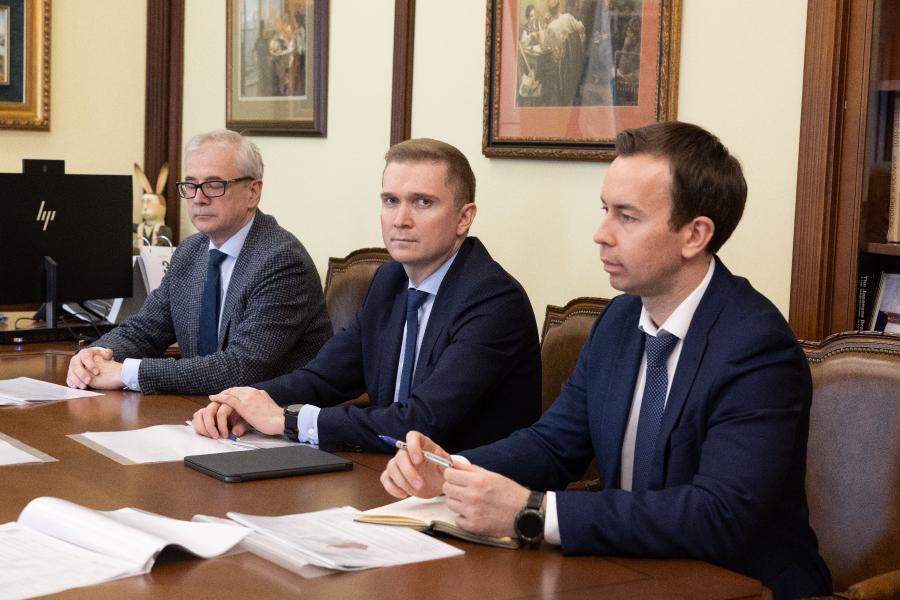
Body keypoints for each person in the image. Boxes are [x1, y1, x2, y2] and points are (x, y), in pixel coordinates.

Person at [381, 122, 832, 600]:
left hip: (740, 586)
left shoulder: (756, 347)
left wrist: (534, 511)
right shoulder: (618, 320)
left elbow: (717, 514)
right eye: (605, 211)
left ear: (695, 234)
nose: (601, 234)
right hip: (628, 569)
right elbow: (554, 445)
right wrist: (451, 468)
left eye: (627, 217)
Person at [192, 138, 541, 453]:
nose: (401, 219)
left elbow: (420, 422)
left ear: (464, 218)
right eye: (391, 201)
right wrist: (246, 401)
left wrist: (287, 420)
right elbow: (324, 377)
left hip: (464, 487)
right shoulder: (390, 281)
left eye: (422, 202)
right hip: (387, 473)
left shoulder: (494, 301)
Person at [66, 129, 332, 395]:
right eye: (191, 185)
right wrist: (95, 356)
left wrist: (125, 373)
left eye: (214, 185)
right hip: (202, 408)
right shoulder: (190, 252)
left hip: (275, 414)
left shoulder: (281, 261)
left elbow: (240, 368)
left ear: (253, 192)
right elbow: (143, 331)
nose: (198, 198)